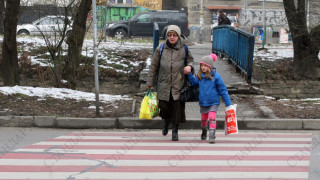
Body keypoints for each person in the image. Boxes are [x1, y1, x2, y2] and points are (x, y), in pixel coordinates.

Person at [147, 25, 194, 141]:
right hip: (164, 84)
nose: (172, 37)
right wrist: (150, 82)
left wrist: (189, 67)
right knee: (165, 108)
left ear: (178, 36)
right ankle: (166, 123)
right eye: (169, 35)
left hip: (179, 84)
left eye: (174, 35)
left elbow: (190, 61)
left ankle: (175, 131)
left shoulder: (184, 48)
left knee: (177, 109)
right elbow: (154, 66)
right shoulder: (161, 48)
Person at [186, 54, 232, 143]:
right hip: (203, 102)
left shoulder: (216, 77)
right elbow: (193, 83)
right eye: (202, 65)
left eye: (205, 66)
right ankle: (204, 130)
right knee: (203, 120)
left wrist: (228, 104)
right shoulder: (199, 76)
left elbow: (223, 90)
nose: (203, 68)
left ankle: (212, 135)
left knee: (211, 117)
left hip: (213, 102)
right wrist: (189, 75)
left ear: (210, 66)